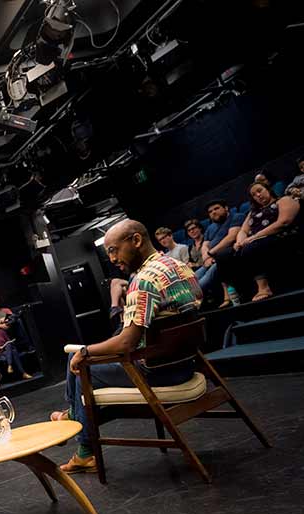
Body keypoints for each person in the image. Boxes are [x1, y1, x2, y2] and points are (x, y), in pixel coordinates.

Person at [53, 220, 202, 474]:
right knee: (80, 359)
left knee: (80, 364)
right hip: (188, 363)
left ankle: (84, 450)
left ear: (135, 241)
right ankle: (73, 415)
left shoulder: (142, 281)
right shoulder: (179, 266)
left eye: (114, 249)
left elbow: (126, 343)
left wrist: (85, 352)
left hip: (158, 372)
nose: (111, 258)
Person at [219, 182, 300, 302]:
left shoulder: (283, 200)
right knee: (223, 255)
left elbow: (284, 222)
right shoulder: (253, 212)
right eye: (254, 195)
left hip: (279, 237)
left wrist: (255, 237)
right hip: (255, 240)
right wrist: (239, 242)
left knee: (251, 247)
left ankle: (264, 288)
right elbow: (243, 230)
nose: (258, 195)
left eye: (259, 191)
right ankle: (233, 295)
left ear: (268, 189)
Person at [200, 200, 245, 307]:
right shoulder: (210, 227)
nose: (213, 212)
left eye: (216, 208)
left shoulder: (237, 217)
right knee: (193, 277)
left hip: (225, 257)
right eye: (210, 211)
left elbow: (231, 237)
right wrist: (206, 258)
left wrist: (211, 254)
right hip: (210, 259)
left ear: (226, 208)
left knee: (202, 282)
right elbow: (204, 245)